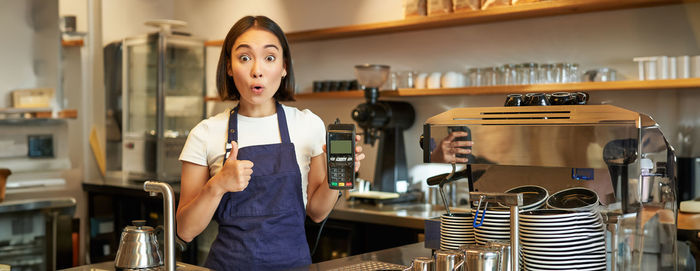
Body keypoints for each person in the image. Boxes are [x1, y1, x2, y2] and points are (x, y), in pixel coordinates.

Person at [175, 15, 365, 270]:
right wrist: (217, 185)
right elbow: (185, 231)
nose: (257, 70)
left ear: (284, 66)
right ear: (229, 67)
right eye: (244, 57)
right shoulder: (206, 133)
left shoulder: (308, 125)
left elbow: (317, 212)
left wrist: (337, 176)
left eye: (270, 57)